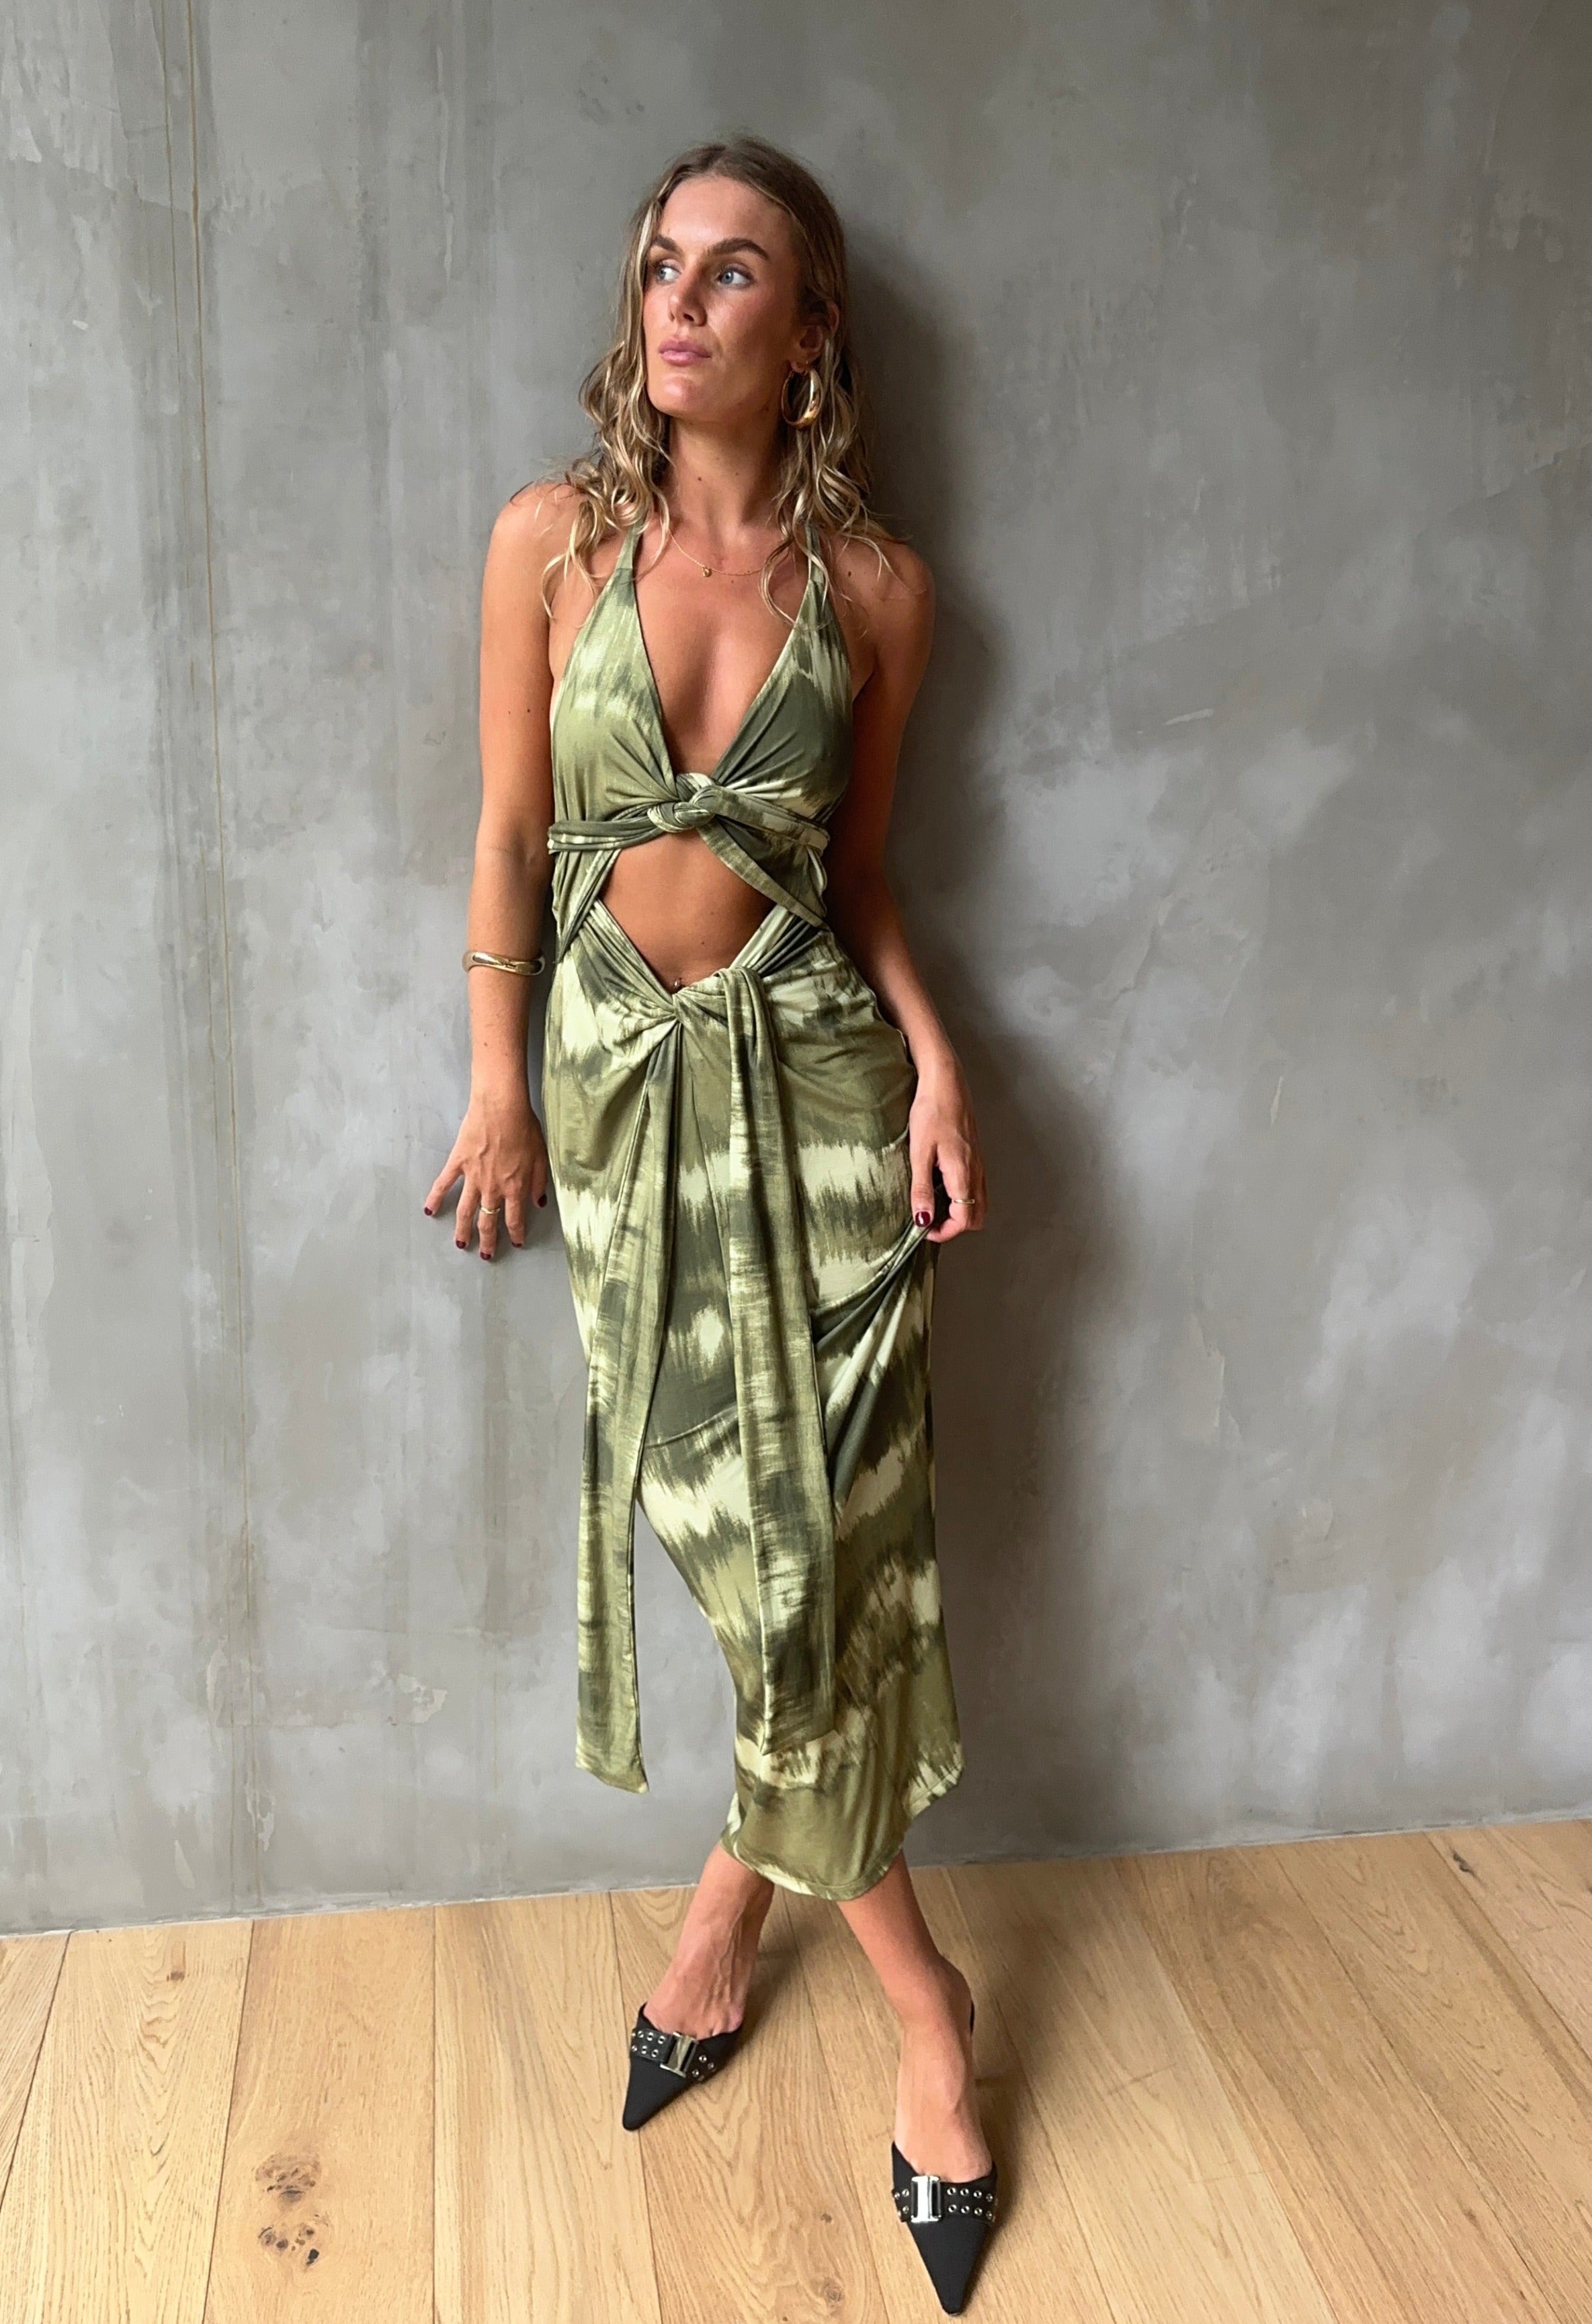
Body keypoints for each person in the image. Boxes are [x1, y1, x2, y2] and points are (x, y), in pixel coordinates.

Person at [427, 134, 995, 2313]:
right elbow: (508, 837)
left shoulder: (880, 592)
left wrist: (935, 1061)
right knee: (751, 1552)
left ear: (810, 329)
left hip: (828, 1101)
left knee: (829, 1553)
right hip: (623, 1099)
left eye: (733, 272)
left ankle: (818, 1964)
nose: (679, 302)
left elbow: (863, 882)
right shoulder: (551, 544)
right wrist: (499, 1085)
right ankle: (906, 1975)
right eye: (663, 263)